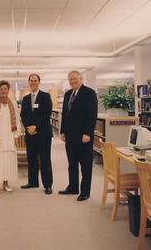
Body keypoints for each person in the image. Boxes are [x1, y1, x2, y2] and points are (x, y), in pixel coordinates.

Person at [59, 70, 97, 201]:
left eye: (74, 79)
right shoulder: (68, 94)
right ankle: (73, 187)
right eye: (70, 80)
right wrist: (62, 131)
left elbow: (92, 115)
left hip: (83, 137)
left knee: (85, 165)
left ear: (81, 79)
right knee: (72, 163)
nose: (72, 82)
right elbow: (65, 114)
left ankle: (85, 192)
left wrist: (87, 133)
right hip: (70, 136)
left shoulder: (89, 93)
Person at [20, 74, 53, 195]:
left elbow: (46, 113)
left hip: (43, 134)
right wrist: (29, 128)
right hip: (30, 134)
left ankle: (48, 185)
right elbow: (23, 114)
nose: (33, 83)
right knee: (32, 159)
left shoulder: (45, 96)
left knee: (45, 160)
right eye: (31, 81)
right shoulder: (26, 98)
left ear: (39, 82)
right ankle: (33, 182)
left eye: (35, 81)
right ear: (28, 82)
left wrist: (36, 127)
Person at [0, 80, 21, 193]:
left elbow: (16, 119)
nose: (3, 91)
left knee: (7, 160)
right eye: (1, 89)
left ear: (8, 90)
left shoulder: (14, 103)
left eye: (5, 89)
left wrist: (17, 135)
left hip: (10, 136)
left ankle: (6, 182)